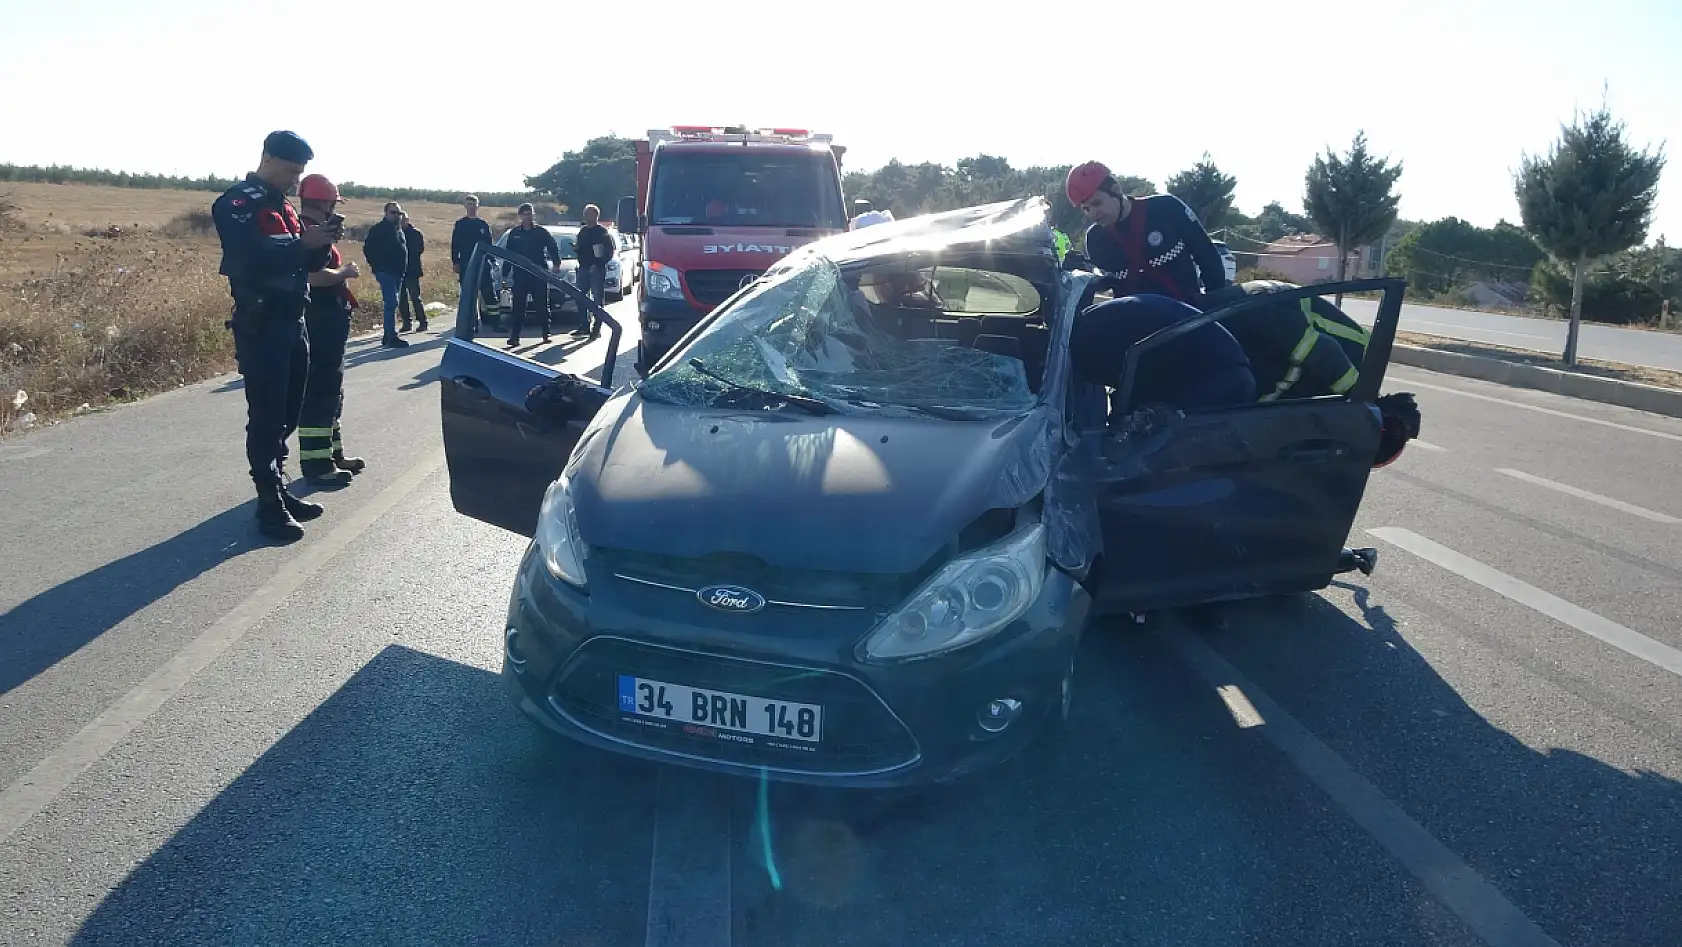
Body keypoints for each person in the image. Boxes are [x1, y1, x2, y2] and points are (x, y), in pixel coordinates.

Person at [210, 130, 337, 541]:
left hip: (294, 320)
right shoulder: (237, 203)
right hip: (262, 325)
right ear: (267, 159)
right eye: (288, 171)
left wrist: (320, 243)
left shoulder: (284, 205)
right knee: (265, 417)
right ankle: (269, 506)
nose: (294, 181)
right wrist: (302, 246)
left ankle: (279, 486)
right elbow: (247, 261)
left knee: (287, 413)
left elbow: (302, 262)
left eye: (299, 174)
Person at [1065, 161, 1231, 306]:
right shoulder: (1095, 238)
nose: (1093, 213)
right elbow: (1104, 283)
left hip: (1185, 320)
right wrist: (1080, 275)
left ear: (1115, 190)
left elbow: (1208, 257)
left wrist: (1213, 308)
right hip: (1138, 331)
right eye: (1086, 209)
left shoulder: (1166, 208)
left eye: (1097, 203)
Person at [294, 174, 366, 487]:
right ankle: (317, 464)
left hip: (329, 319)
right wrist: (345, 272)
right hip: (319, 320)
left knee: (333, 391)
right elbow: (314, 277)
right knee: (320, 391)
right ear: (325, 203)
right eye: (333, 203)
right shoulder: (308, 233)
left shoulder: (315, 232)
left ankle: (334, 454)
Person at [1070, 294, 1255, 414]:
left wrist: (1124, 412)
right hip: (1228, 371)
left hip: (1218, 380)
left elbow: (1137, 378)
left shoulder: (1088, 339)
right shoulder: (1095, 321)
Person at [1223, 279, 1370, 401]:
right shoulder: (1219, 313)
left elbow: (1324, 353)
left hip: (1352, 354)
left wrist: (1364, 400)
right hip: (1308, 361)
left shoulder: (1258, 314)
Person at [503, 202, 563, 347]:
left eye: (529, 214)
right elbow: (508, 254)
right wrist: (505, 275)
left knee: (542, 305)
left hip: (538, 273)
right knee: (518, 307)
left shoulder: (541, 232)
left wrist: (556, 263)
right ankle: (515, 337)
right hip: (520, 274)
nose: (527, 217)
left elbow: (552, 246)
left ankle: (545, 333)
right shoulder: (515, 233)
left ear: (533, 215)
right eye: (524, 214)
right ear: (520, 216)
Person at [451, 194, 503, 332]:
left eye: (474, 204)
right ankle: (472, 324)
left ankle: (495, 324)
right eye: (469, 204)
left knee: (490, 295)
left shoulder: (483, 224)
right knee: (469, 296)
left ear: (477, 206)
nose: (471, 207)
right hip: (466, 264)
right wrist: (455, 262)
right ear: (465, 206)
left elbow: (489, 244)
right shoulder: (460, 224)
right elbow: (455, 245)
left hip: (483, 264)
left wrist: (492, 260)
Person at [362, 201, 410, 348]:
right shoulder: (378, 230)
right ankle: (391, 336)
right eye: (393, 212)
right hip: (385, 271)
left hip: (398, 272)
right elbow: (368, 249)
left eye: (398, 213)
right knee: (391, 302)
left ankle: (387, 335)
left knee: (392, 303)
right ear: (386, 213)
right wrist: (377, 266)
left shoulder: (399, 230)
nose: (396, 216)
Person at [573, 203, 614, 339]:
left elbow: (609, 251)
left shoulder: (602, 232)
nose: (585, 216)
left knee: (597, 300)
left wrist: (598, 263)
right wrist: (576, 248)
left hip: (597, 269)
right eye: (585, 213)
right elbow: (580, 248)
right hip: (583, 268)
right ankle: (584, 326)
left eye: (588, 213)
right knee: (580, 298)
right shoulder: (583, 231)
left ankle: (597, 329)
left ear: (596, 215)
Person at [399, 212, 427, 333]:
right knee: (402, 299)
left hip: (412, 269)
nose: (402, 222)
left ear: (408, 220)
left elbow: (419, 249)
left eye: (404, 220)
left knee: (415, 297)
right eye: (400, 220)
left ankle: (422, 321)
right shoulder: (396, 233)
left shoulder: (416, 233)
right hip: (398, 270)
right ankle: (407, 323)